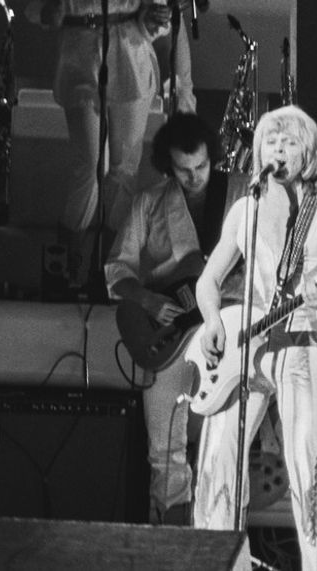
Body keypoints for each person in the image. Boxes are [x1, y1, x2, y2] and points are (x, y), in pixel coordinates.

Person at [193, 105, 317, 571]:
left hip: (301, 342)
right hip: (247, 342)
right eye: (270, 142)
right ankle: (218, 561)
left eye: (288, 142)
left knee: (308, 461)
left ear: (309, 151)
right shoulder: (247, 208)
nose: (277, 150)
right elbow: (209, 281)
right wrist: (211, 321)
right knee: (218, 456)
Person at [105, 113, 245, 523]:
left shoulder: (241, 196)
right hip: (168, 334)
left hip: (227, 328)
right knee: (164, 443)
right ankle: (170, 534)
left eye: (201, 166)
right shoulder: (150, 202)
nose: (195, 176)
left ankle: (219, 536)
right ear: (170, 167)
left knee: (225, 444)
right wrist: (147, 300)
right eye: (183, 170)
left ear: (212, 158)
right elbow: (116, 270)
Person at [27, 0, 184, 287]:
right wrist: (48, 12)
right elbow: (38, 9)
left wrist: (155, 16)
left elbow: (158, 15)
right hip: (80, 52)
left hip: (129, 50)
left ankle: (107, 272)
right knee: (88, 164)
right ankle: (65, 266)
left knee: (124, 169)